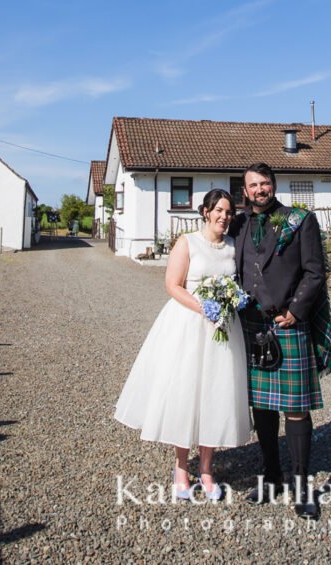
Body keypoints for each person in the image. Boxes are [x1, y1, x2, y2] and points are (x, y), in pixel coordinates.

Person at [114, 188, 252, 500]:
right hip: (189, 325)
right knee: (186, 393)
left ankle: (206, 468)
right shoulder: (187, 242)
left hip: (223, 329)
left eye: (229, 212)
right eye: (218, 210)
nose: (224, 217)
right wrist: (204, 307)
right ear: (205, 212)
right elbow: (172, 285)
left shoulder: (232, 246)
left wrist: (230, 304)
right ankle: (180, 466)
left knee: (215, 394)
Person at [230, 162, 331, 520]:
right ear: (245, 191)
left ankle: (303, 487)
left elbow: (314, 271)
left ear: (273, 185)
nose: (260, 189)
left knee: (294, 407)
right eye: (253, 185)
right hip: (251, 324)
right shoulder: (239, 223)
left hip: (286, 323)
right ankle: (272, 476)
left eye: (265, 183)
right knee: (261, 406)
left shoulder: (299, 219)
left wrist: (297, 309)